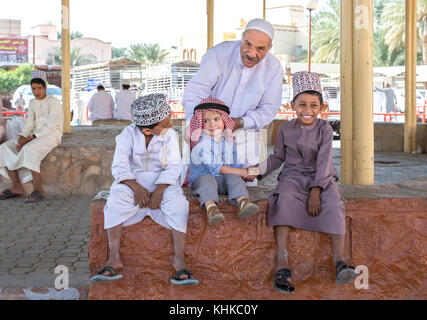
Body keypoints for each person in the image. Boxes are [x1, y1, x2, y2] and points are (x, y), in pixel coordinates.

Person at [252, 72, 358, 294]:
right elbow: (278, 157)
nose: (307, 110)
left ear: (322, 107)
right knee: (284, 199)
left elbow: (324, 161)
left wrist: (316, 190)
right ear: (292, 105)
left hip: (322, 177)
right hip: (292, 176)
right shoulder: (284, 129)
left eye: (313, 105)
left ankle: (340, 261)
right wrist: (255, 172)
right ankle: (282, 263)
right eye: (302, 104)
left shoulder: (325, 129)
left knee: (334, 202)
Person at [90, 93, 199, 285]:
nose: (170, 126)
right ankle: (113, 260)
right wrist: (136, 187)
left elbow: (174, 165)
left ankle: (179, 262)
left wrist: (159, 191)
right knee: (115, 202)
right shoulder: (126, 135)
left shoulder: (170, 135)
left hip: (164, 183)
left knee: (179, 205)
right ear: (148, 131)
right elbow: (119, 167)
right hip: (131, 182)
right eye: (165, 124)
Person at [182, 18, 283, 184]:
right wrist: (201, 124)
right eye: (248, 44)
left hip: (244, 133)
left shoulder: (273, 68)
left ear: (269, 48)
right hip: (207, 130)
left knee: (243, 187)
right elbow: (194, 94)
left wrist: (240, 122)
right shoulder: (218, 55)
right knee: (202, 184)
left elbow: (268, 109)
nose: (251, 54)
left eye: (260, 49)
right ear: (241, 39)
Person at [187, 98, 259, 226]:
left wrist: (244, 174)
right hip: (203, 179)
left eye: (216, 119)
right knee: (206, 180)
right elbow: (216, 168)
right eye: (206, 121)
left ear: (224, 121)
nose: (212, 125)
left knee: (233, 177)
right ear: (200, 124)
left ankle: (243, 202)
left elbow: (235, 163)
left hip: (222, 180)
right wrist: (242, 172)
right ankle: (211, 208)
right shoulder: (202, 144)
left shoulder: (228, 140)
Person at [0, 70, 63, 203]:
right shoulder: (33, 103)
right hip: (33, 135)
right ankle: (17, 186)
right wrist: (22, 137)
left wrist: (29, 139)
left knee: (29, 149)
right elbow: (29, 123)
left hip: (51, 135)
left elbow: (51, 127)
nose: (36, 91)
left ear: (45, 88)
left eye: (39, 88)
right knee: (4, 148)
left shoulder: (54, 102)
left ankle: (38, 188)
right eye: (34, 88)